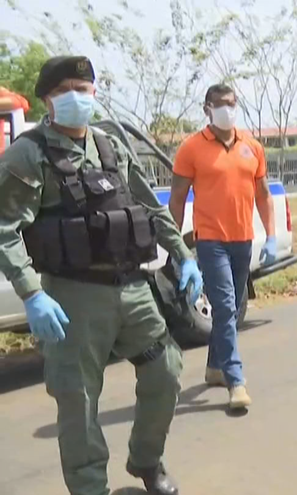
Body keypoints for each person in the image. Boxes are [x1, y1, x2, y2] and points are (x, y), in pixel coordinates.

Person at [0, 56, 202, 495]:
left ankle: (146, 461)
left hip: (133, 288)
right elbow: (4, 230)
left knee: (166, 368)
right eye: (67, 88)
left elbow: (147, 206)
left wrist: (183, 255)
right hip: (73, 297)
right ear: (48, 99)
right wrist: (31, 293)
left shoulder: (110, 144)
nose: (79, 96)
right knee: (78, 400)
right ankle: (91, 487)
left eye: (86, 87)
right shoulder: (29, 154)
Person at [170, 83, 276, 410]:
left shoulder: (252, 147)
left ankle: (215, 367)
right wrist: (177, 249)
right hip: (210, 240)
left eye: (231, 103)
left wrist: (271, 236)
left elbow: (263, 195)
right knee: (226, 306)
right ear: (207, 108)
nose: (226, 109)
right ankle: (236, 380)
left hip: (243, 239)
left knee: (229, 307)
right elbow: (176, 199)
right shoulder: (191, 148)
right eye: (220, 104)